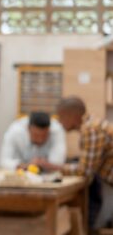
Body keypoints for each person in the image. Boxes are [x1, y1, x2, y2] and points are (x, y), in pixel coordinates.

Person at [35, 96, 113, 228]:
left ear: (72, 116)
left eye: (61, 117)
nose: (60, 122)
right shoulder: (93, 125)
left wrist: (50, 166)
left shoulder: (91, 130)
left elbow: (85, 171)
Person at [0, 111, 66, 171]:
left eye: (44, 135)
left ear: (49, 130)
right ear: (28, 128)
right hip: (20, 177)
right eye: (36, 135)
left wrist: (43, 163)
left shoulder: (57, 131)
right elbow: (4, 162)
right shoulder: (15, 131)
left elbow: (59, 163)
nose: (40, 139)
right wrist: (26, 166)